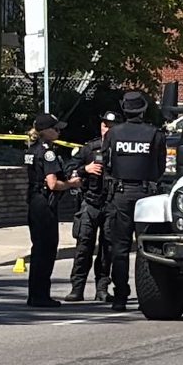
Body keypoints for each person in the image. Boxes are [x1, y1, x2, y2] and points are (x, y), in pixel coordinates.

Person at [101, 91, 167, 311]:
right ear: (143, 109)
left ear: (124, 109)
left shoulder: (113, 134)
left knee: (119, 249)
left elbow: (106, 165)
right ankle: (146, 296)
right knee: (146, 247)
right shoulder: (154, 134)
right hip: (146, 194)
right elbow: (160, 167)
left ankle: (120, 296)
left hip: (119, 194)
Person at [25, 113, 81, 308]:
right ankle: (41, 296)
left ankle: (35, 294)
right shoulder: (47, 152)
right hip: (44, 203)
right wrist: (71, 184)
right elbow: (52, 184)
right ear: (45, 131)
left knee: (38, 248)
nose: (58, 132)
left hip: (34, 201)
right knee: (46, 249)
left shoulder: (32, 149)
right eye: (55, 129)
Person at [67, 111, 117, 303]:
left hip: (111, 203)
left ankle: (102, 288)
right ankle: (77, 288)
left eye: (111, 127)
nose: (107, 130)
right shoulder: (89, 148)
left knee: (107, 249)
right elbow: (69, 169)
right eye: (105, 126)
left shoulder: (120, 150)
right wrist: (84, 169)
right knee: (83, 246)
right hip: (90, 202)